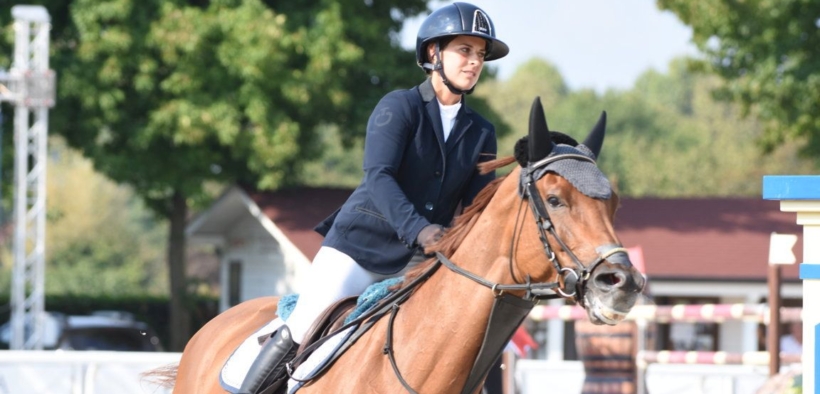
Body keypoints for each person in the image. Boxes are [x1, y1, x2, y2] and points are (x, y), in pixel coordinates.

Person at [238, 3, 509, 393]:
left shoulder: (481, 131)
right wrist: (421, 230)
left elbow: (475, 207)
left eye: (480, 54)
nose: (474, 62)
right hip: (360, 249)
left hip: (423, 262)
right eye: (464, 50)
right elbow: (378, 176)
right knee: (304, 323)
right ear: (434, 53)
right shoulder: (400, 107)